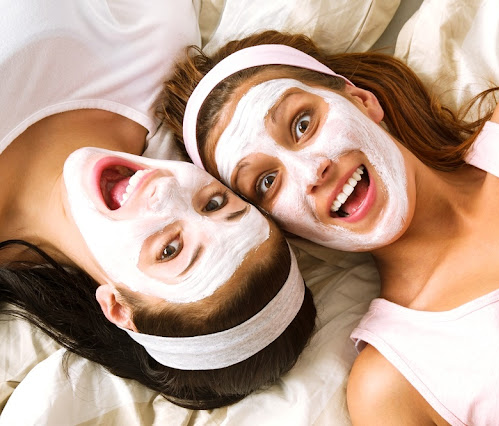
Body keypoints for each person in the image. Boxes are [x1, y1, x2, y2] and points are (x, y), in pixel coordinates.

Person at [158, 30, 499, 423]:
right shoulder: (391, 385)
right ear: (280, 225)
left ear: (361, 100)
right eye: (267, 181)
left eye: (302, 124)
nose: (311, 172)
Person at [1, 3, 315, 410]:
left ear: (117, 307)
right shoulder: (153, 43)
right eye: (214, 203)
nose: (166, 191)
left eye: (170, 249)